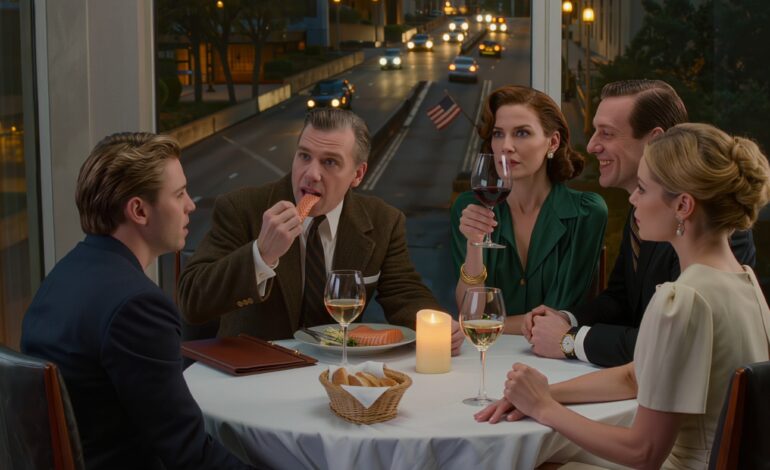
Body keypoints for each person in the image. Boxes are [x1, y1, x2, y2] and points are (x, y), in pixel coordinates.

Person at [477, 123, 770, 469]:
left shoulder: (682, 299)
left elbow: (643, 453)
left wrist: (544, 407)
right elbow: (636, 376)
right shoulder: (745, 282)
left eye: (643, 189)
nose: (632, 199)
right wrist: (543, 394)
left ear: (683, 206)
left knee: (524, 460)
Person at [21, 133, 252, 469]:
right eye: (179, 194)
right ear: (139, 211)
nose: (191, 205)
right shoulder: (138, 306)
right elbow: (189, 454)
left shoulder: (62, 276)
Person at [178, 108, 464, 353]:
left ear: (358, 174)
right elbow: (192, 300)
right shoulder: (242, 208)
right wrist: (261, 255)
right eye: (304, 156)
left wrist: (438, 325)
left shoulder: (383, 221)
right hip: (256, 370)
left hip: (338, 371)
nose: (311, 174)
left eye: (329, 162)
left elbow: (405, 293)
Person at [524, 79, 756, 366]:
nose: (592, 145)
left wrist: (570, 340)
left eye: (607, 133)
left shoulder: (713, 226)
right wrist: (565, 319)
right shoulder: (643, 211)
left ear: (654, 140)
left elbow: (665, 345)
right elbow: (621, 300)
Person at [451, 85, 607, 334]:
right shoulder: (469, 208)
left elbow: (555, 317)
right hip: (487, 351)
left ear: (552, 142)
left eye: (521, 133)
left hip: (553, 353)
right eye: (498, 134)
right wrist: (474, 245)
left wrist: (482, 326)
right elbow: (471, 312)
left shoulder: (586, 213)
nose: (506, 146)